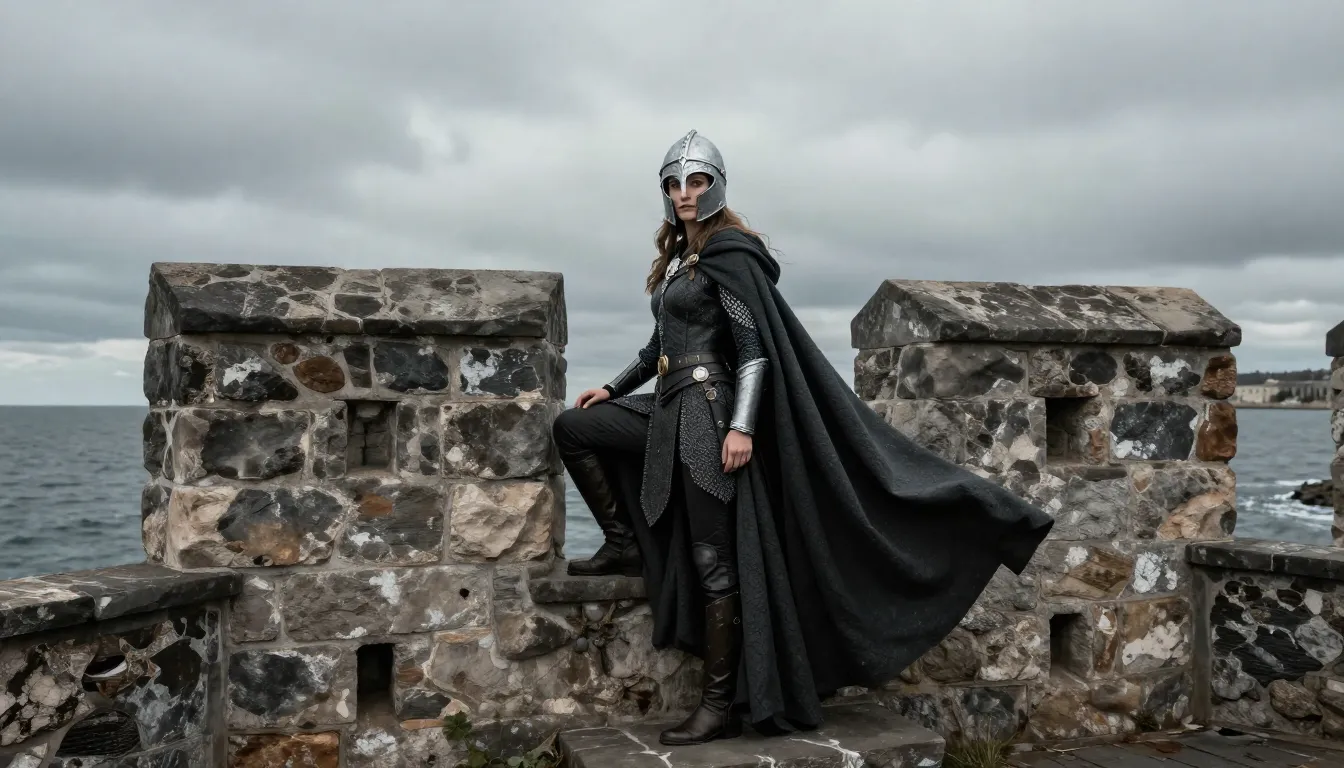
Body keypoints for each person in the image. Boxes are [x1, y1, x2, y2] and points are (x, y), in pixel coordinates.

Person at [551, 130, 1054, 747]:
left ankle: (718, 706)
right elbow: (659, 346)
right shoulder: (680, 259)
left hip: (709, 415)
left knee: (713, 563)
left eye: (696, 182)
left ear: (716, 186)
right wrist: (612, 386)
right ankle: (624, 543)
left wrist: (741, 426)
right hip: (666, 405)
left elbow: (754, 351)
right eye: (674, 184)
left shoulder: (731, 255)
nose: (685, 193)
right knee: (574, 428)